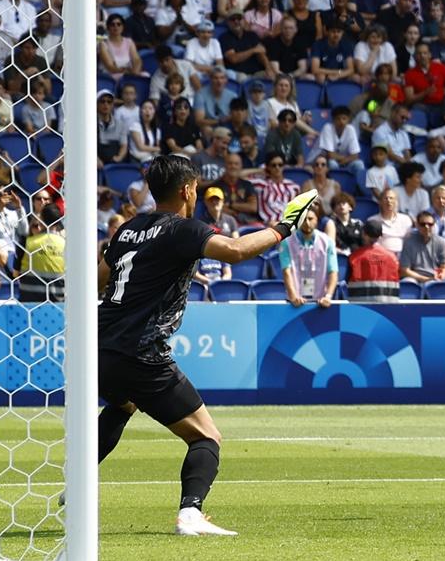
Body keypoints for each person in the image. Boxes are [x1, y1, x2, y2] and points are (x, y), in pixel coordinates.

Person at [97, 155, 319, 536]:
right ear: (187, 190)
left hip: (99, 347)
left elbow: (101, 277)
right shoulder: (181, 229)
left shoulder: (128, 229)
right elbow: (235, 250)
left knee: (123, 403)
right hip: (142, 352)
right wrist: (284, 227)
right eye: (196, 187)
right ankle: (190, 514)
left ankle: (77, 481)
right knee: (205, 436)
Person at [278, 200, 338, 308]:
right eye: (303, 219)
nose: (307, 223)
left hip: (320, 303)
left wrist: (328, 296)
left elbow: (333, 272)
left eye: (310, 219)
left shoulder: (327, 242)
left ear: (317, 220)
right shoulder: (286, 242)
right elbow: (286, 271)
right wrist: (293, 296)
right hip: (294, 302)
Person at [348, 220, 401, 301]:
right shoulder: (393, 258)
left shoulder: (355, 257)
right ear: (380, 236)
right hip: (389, 306)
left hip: (360, 307)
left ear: (364, 234)